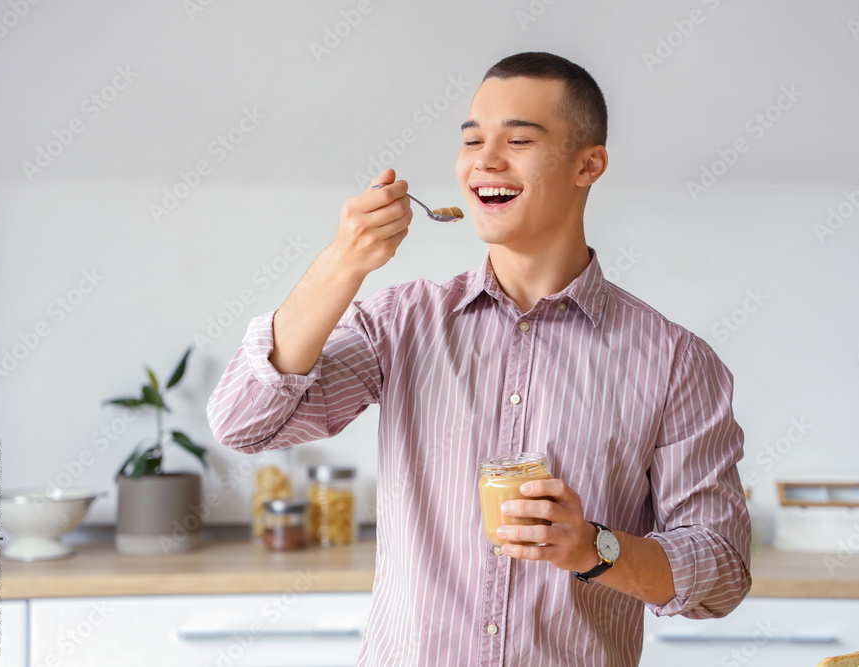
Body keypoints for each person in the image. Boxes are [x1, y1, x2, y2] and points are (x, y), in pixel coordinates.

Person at [208, 51, 751, 666]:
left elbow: (722, 573)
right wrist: (341, 264)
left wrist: (595, 550)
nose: (485, 161)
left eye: (518, 138)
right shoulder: (402, 323)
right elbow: (243, 422)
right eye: (472, 141)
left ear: (588, 164)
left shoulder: (675, 361)